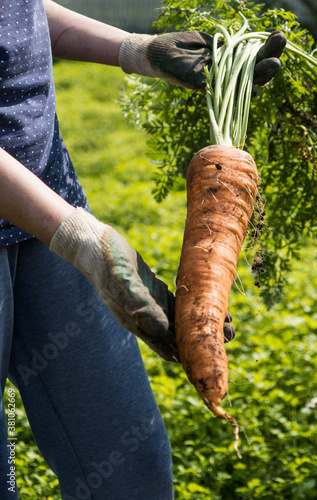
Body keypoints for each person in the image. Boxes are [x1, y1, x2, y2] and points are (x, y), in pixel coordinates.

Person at [0, 1, 286, 498]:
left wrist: (139, 51)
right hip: (58, 220)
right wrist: (81, 239)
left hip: (48, 198)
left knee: (131, 470)